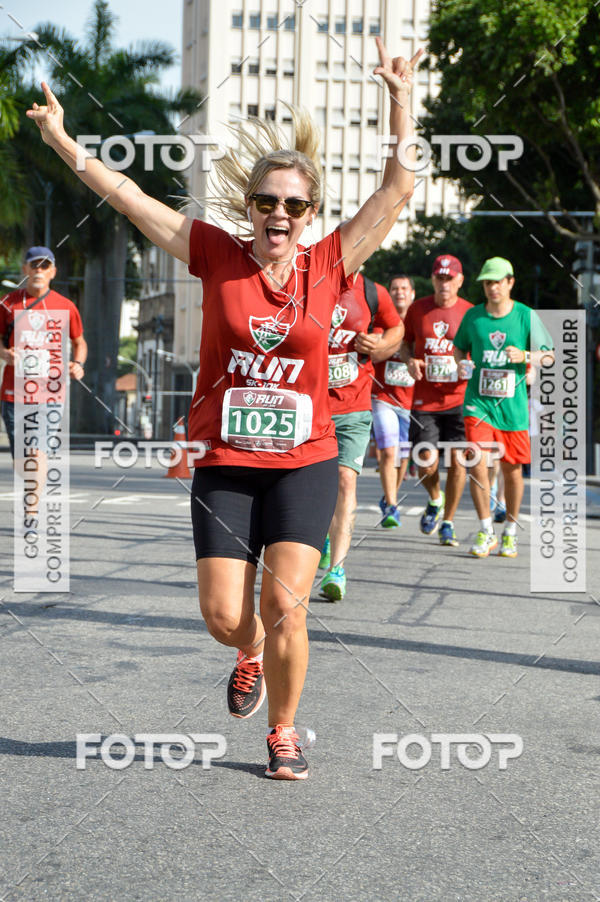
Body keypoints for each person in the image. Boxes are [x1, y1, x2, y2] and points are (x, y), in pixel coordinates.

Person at [27, 40, 422, 780]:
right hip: (226, 461)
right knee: (222, 617)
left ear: (311, 213)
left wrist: (399, 97)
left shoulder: (333, 261)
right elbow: (129, 197)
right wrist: (62, 140)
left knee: (289, 608)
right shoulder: (215, 253)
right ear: (250, 207)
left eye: (293, 204)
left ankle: (283, 729)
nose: (279, 214)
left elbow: (398, 187)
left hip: (305, 460)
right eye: (266, 201)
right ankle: (247, 654)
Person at [453, 257, 554, 558]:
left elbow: (548, 357)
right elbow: (459, 346)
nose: (492, 287)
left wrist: (525, 356)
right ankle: (486, 531)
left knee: (512, 471)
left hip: (513, 408)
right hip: (478, 403)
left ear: (510, 282)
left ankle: (509, 531)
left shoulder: (525, 315)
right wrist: (461, 363)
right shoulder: (473, 317)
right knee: (477, 461)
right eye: (487, 282)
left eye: (498, 281)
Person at [319, 273, 403, 601]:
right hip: (312, 406)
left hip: (354, 407)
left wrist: (380, 344)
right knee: (316, 483)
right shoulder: (311, 282)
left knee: (345, 481)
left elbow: (397, 328)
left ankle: (337, 569)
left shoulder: (371, 291)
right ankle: (323, 537)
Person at [400, 255, 472, 546]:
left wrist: (471, 365)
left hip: (459, 398)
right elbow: (404, 344)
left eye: (450, 278)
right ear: (432, 280)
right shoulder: (418, 310)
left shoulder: (470, 312)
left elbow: (477, 352)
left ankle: (449, 523)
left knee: (458, 464)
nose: (445, 284)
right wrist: (409, 362)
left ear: (460, 280)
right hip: (425, 401)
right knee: (425, 463)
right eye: (440, 278)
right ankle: (435, 497)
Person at [0, 247, 87, 469]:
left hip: (50, 393)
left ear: (53, 271)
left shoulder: (66, 306)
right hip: (14, 394)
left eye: (45, 265)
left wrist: (78, 364)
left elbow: (79, 342)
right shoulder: (7, 304)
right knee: (22, 461)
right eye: (34, 265)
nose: (39, 270)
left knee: (37, 453)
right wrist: (4, 353)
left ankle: (31, 505)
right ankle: (31, 492)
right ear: (25, 269)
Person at [371, 274, 416, 527]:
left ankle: (392, 495)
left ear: (412, 293)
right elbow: (374, 355)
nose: (399, 292)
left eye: (404, 288)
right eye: (395, 289)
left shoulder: (420, 321)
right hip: (383, 397)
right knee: (388, 452)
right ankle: (391, 506)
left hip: (411, 401)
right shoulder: (381, 321)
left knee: (402, 455)